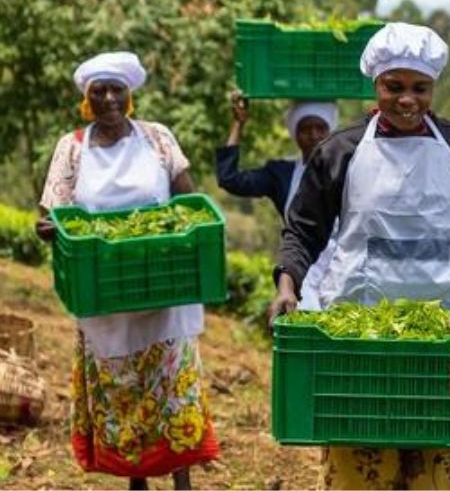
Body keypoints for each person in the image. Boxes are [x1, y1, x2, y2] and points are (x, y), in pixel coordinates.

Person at [268, 22, 450, 490]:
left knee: (442, 463)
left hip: (442, 334)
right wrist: (287, 284)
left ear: (433, 88)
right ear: (376, 84)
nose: (407, 99)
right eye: (395, 87)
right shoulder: (340, 151)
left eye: (419, 88)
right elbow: (304, 230)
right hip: (360, 337)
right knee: (363, 464)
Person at [35, 52, 218, 490]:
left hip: (162, 286)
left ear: (129, 96)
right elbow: (49, 214)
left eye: (118, 90)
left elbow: (187, 205)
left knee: (171, 390)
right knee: (125, 393)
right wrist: (50, 228)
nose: (110, 99)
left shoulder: (157, 139)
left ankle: (182, 481)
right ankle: (136, 479)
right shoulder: (72, 147)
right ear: (88, 99)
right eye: (100, 91)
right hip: (104, 291)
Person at [216, 95, 338, 307]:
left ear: (331, 131)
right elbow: (230, 179)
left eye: (321, 128)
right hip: (300, 273)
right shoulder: (281, 174)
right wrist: (238, 124)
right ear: (295, 134)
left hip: (343, 270)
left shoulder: (348, 167)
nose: (313, 135)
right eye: (305, 129)